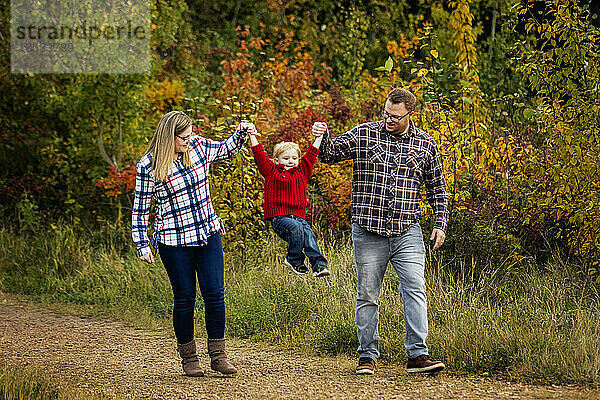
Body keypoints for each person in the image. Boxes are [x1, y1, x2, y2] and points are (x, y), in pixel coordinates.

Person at [313, 88, 449, 375]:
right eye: (386, 113)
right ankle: (367, 356)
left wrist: (440, 224)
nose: (389, 119)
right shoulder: (364, 134)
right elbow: (329, 154)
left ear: (410, 115)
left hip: (406, 231)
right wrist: (321, 134)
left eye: (396, 117)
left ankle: (417, 355)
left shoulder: (426, 144)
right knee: (368, 294)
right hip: (368, 230)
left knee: (415, 288)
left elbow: (438, 188)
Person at [131, 110, 255, 377]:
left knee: (215, 294)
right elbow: (140, 208)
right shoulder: (149, 165)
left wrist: (242, 132)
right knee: (185, 298)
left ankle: (218, 355)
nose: (189, 140)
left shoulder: (198, 146)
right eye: (184, 137)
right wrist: (142, 243)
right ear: (169, 137)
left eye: (190, 135)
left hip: (208, 232)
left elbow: (225, 149)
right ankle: (189, 358)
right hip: (174, 241)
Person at [248, 129, 330, 277]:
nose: (291, 161)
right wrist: (252, 135)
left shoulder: (302, 172)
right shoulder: (271, 171)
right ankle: (294, 259)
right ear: (277, 160)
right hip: (280, 218)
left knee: (309, 236)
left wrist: (320, 137)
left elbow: (311, 154)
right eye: (286, 158)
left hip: (299, 217)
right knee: (296, 228)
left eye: (294, 158)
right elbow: (259, 155)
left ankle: (319, 265)